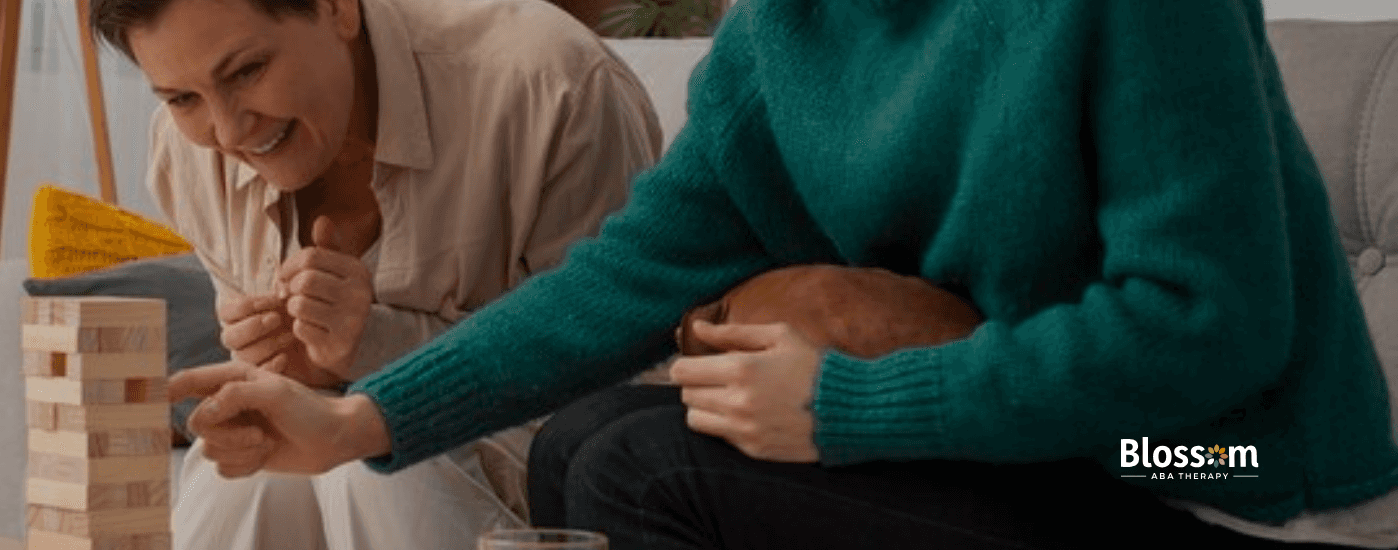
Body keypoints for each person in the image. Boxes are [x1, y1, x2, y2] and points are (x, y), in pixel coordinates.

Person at [168, 0, 1398, 548]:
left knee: (647, 467)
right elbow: (628, 277)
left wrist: (852, 409)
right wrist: (353, 419)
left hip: (1227, 474)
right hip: (1062, 462)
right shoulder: (785, 32)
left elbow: (1213, 327)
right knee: (583, 442)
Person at [87, 0, 662, 547]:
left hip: (542, 488)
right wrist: (286, 372)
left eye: (247, 71)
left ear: (337, 7)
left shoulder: (550, 84)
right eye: (183, 97)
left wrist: (374, 348)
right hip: (353, 470)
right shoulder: (185, 153)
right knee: (248, 476)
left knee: (371, 471)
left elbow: (612, 375)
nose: (229, 134)